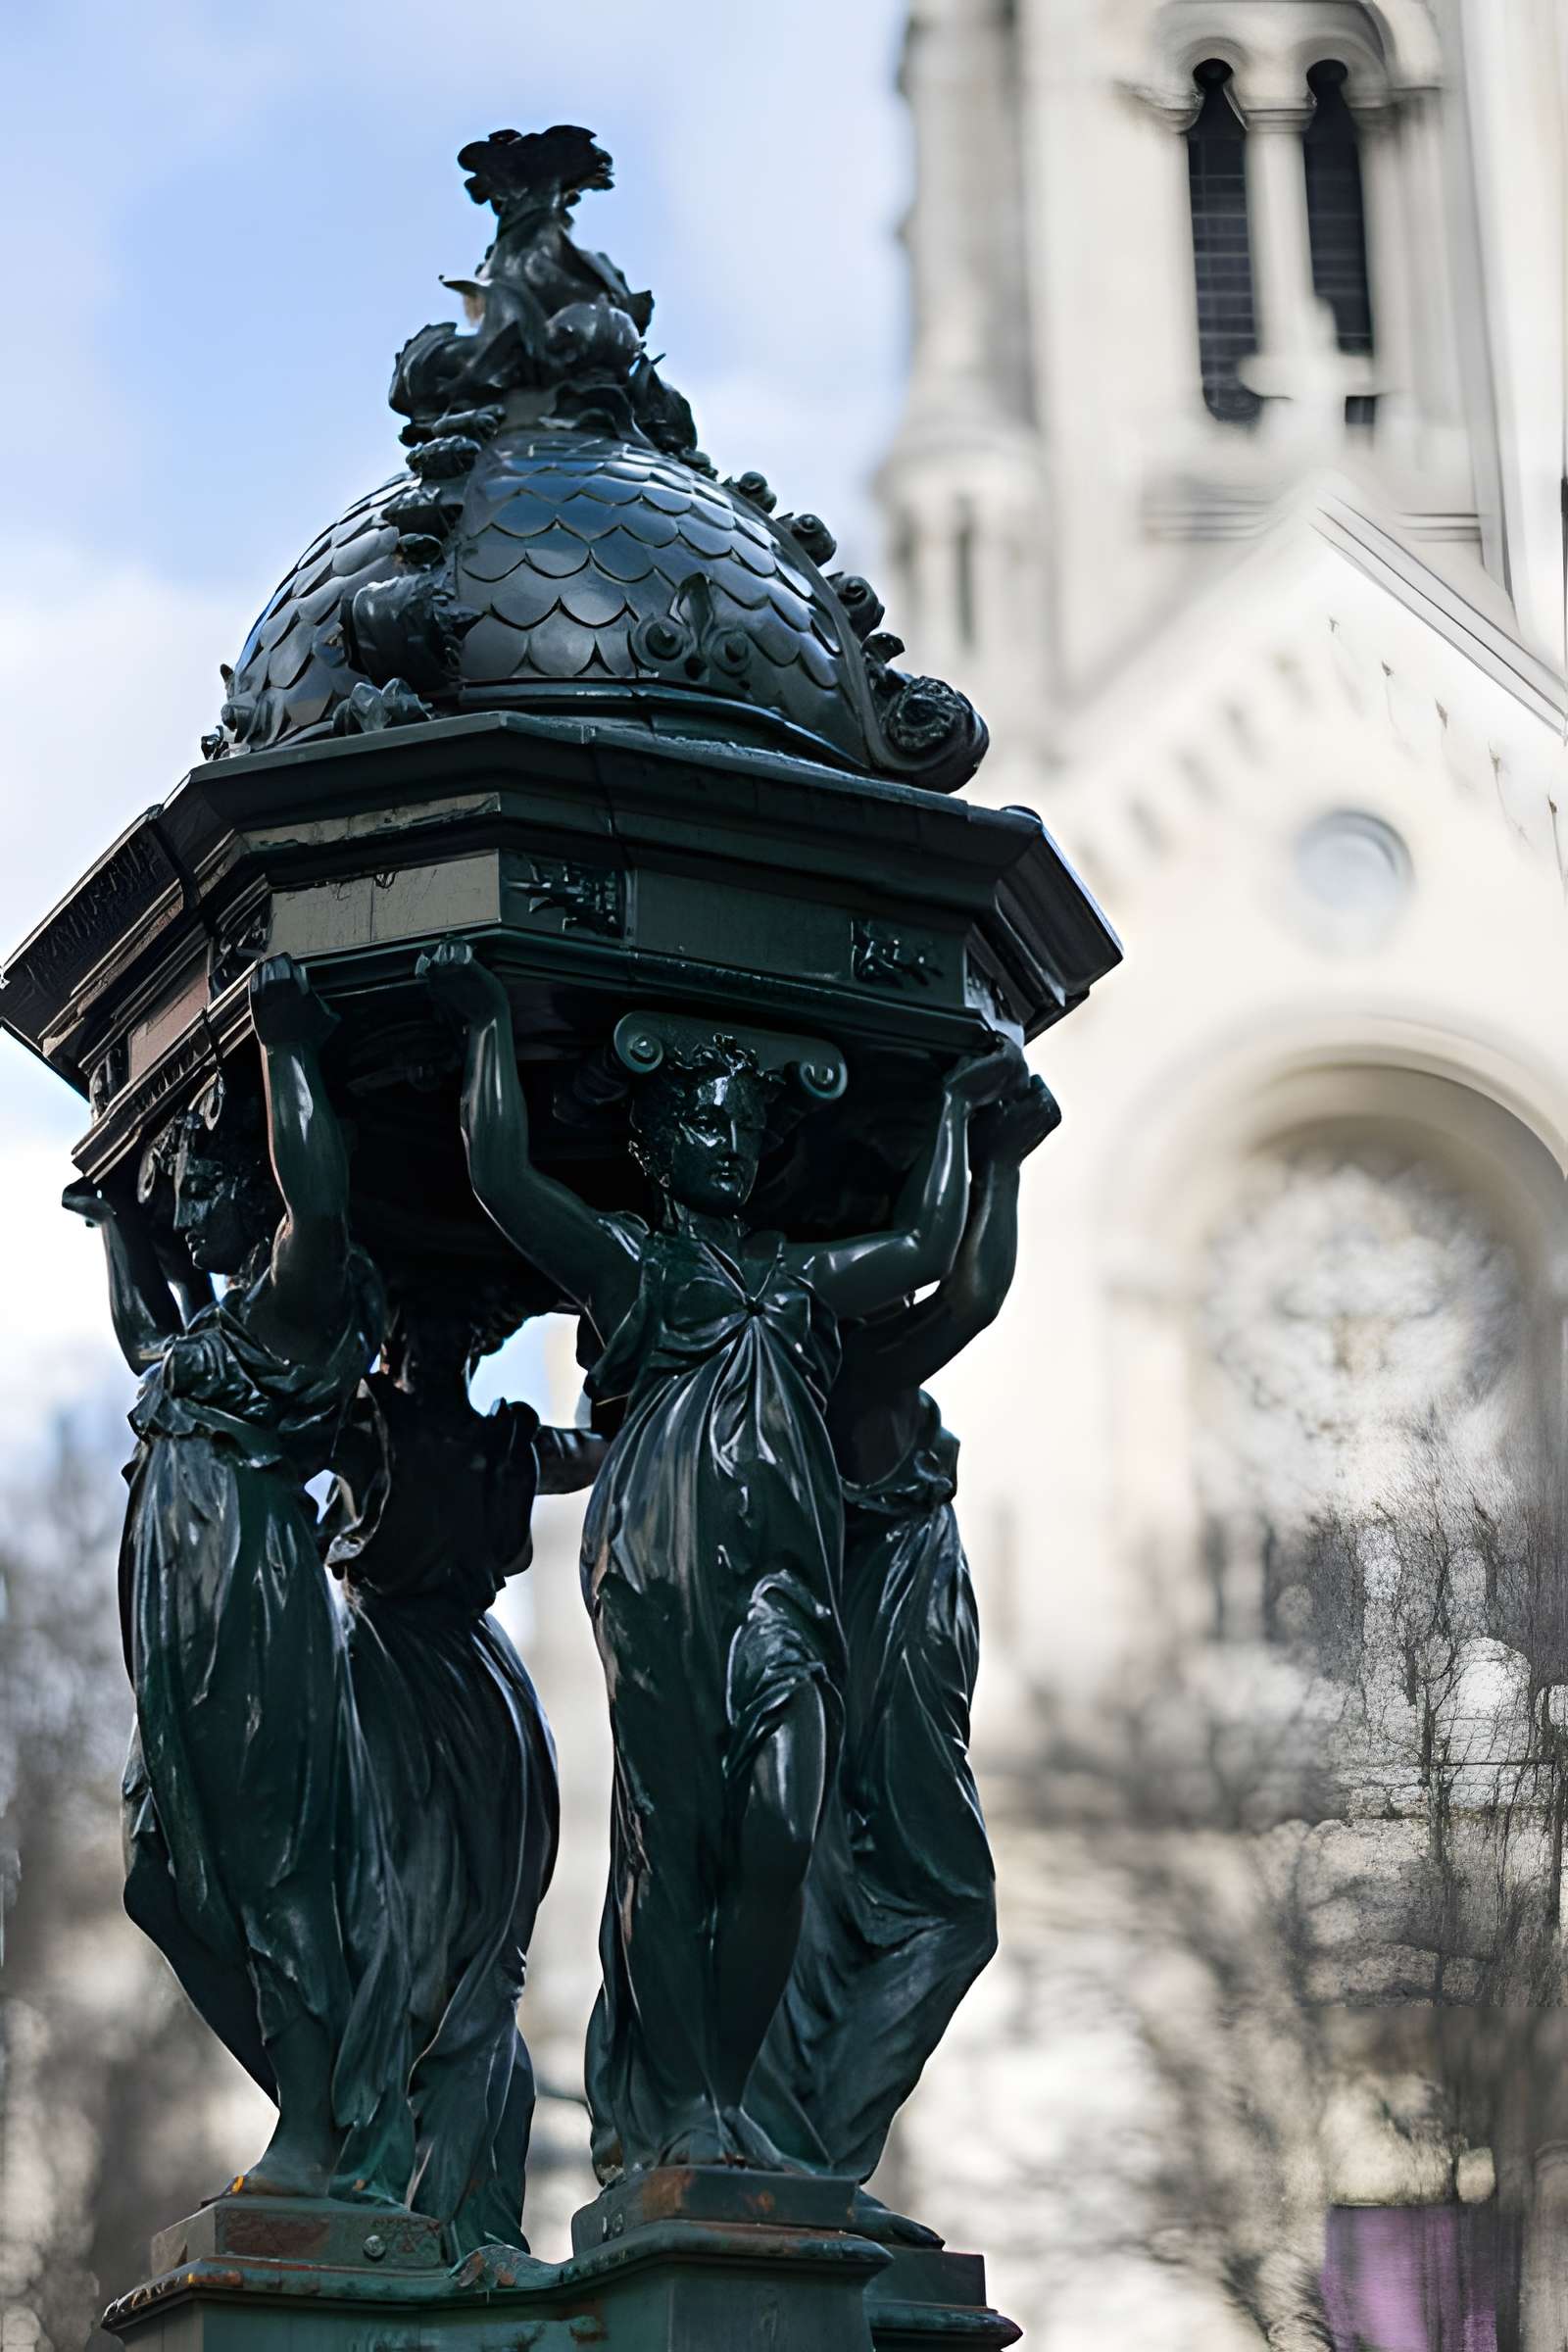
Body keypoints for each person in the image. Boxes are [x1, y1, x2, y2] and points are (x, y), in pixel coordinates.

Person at [419, 933, 1016, 2179]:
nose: (729, 1138)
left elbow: (931, 1261)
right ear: (655, 1141)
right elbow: (502, 1176)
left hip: (781, 1593)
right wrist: (482, 1026)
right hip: (658, 1576)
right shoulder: (635, 1265)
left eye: (745, 1122)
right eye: (702, 1117)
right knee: (672, 1834)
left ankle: (726, 2086)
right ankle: (684, 2100)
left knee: (780, 1824)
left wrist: (974, 1124)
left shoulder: (794, 1283)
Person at [65, 955, 412, 2204]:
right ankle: (324, 2098)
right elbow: (141, 1335)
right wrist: (116, 1223)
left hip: (252, 1599)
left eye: (212, 1184)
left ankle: (320, 2124)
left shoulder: (299, 1307)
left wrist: (286, 1052)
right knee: (159, 1877)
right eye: (185, 1188)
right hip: (180, 1616)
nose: (191, 1201)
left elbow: (317, 1210)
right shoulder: (210, 1339)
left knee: (272, 1861)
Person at [750, 1074, 1060, 2237]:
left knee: (855, 1908)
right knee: (936, 1909)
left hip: (901, 1661)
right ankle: (814, 2158)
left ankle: (813, 2158)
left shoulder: (833, 1359)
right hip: (883, 1666)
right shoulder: (836, 1361)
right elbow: (967, 1289)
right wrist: (992, 1155)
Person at [323, 1279, 602, 2253]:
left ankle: (470, 2220)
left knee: (487, 1957)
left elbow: (592, 1450)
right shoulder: (361, 1423)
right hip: (392, 1673)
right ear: (390, 1341)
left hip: (482, 1690)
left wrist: (618, 1350)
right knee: (403, 1935)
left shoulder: (504, 1442)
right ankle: (400, 2191)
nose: (438, 1345)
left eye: (455, 1329)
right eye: (418, 1328)